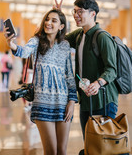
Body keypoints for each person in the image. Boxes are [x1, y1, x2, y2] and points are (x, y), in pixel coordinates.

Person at [54, 0, 128, 155]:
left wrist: (98, 83)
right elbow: (61, 39)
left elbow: (111, 69)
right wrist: (58, 15)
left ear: (93, 13)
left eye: (80, 11)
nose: (76, 15)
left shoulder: (102, 37)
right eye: (74, 12)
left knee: (103, 146)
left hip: (104, 100)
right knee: (90, 144)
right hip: (86, 100)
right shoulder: (79, 35)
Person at [4, 9, 78, 155]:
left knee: (62, 151)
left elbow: (70, 76)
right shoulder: (36, 41)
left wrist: (71, 102)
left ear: (61, 26)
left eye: (54, 20)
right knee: (50, 151)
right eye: (47, 19)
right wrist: (11, 44)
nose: (48, 23)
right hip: (42, 103)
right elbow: (24, 51)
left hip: (63, 104)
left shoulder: (65, 46)